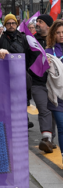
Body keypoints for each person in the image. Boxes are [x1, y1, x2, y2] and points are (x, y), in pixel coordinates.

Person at [29, 14, 56, 153]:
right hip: (37, 82)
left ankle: (51, 139)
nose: (37, 24)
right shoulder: (31, 41)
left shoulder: (56, 42)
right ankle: (46, 138)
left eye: (41, 22)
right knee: (44, 108)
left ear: (48, 26)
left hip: (54, 84)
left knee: (53, 110)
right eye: (37, 21)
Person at [46, 19, 63, 158]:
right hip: (57, 97)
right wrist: (45, 63)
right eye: (58, 33)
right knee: (62, 128)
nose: (61, 35)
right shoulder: (48, 51)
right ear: (53, 34)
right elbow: (39, 72)